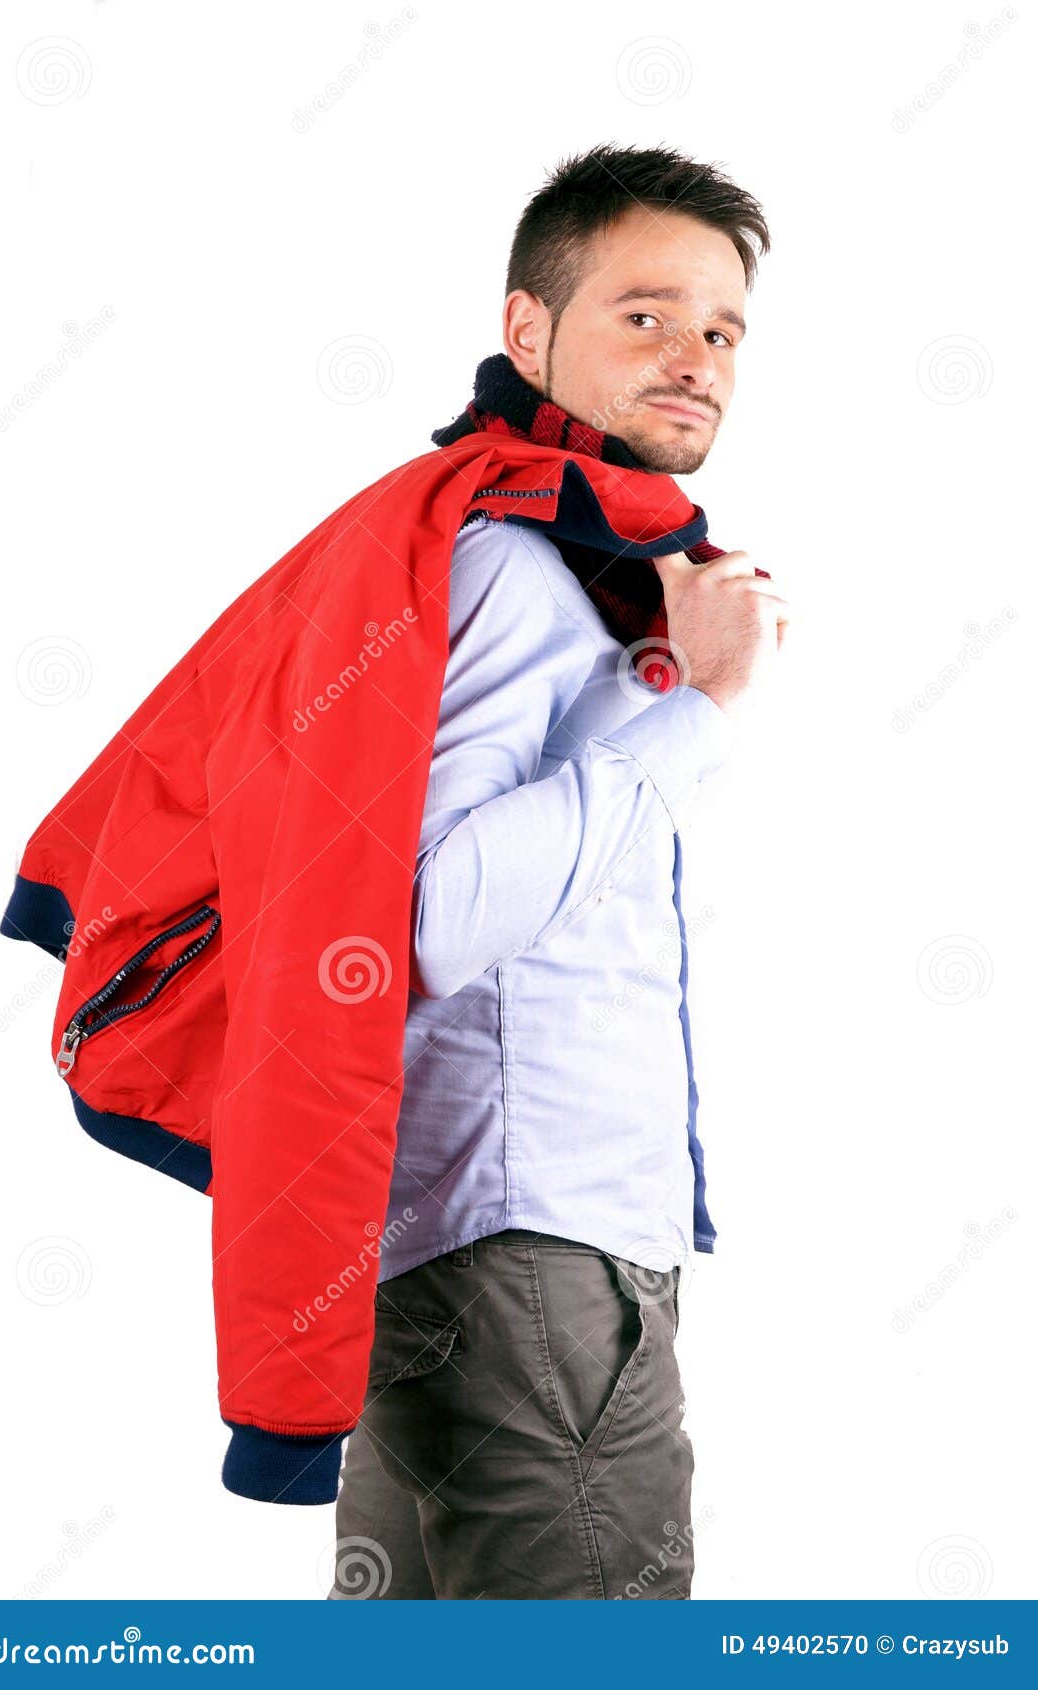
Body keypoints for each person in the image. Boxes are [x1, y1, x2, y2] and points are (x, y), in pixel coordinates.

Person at [328, 144, 789, 1601]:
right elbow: (433, 915)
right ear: (526, 330)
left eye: (721, 330)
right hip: (536, 1255)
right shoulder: (515, 564)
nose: (695, 358)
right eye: (644, 315)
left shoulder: (549, 551)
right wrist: (697, 705)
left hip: (461, 1249)